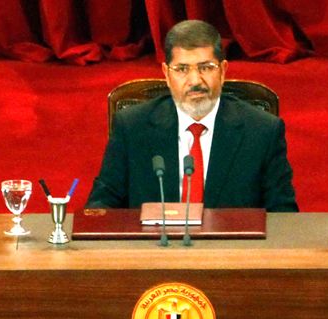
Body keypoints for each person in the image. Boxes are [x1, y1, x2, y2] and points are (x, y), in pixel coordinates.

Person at [86, 20, 298, 212]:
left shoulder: (262, 131)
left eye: (206, 67)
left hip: (231, 243)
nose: (195, 80)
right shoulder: (132, 127)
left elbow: (283, 216)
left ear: (223, 71)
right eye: (182, 69)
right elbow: (103, 203)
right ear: (166, 74)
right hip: (155, 242)